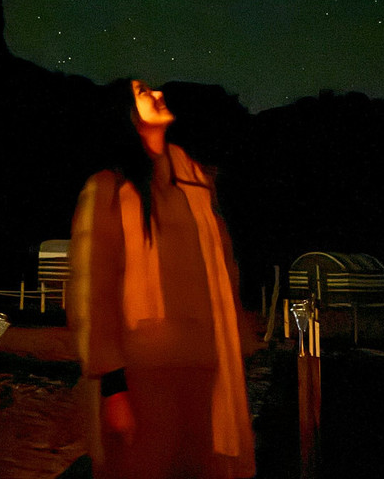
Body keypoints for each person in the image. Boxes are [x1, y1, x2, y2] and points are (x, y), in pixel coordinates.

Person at [69, 78, 255, 479]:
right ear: (128, 116)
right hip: (143, 371)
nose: (156, 93)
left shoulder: (196, 186)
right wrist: (113, 386)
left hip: (204, 366)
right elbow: (92, 290)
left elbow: (222, 272)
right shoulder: (109, 187)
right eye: (142, 92)